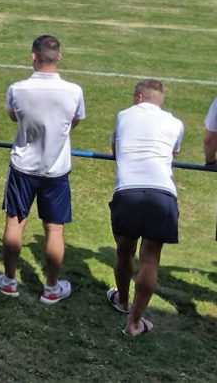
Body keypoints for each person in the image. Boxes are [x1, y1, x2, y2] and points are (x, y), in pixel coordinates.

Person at [0, 36, 85, 304]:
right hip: (56, 171)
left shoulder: (17, 89)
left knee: (14, 223)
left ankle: (9, 281)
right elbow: (74, 121)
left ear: (33, 56)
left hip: (23, 168)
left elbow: (13, 117)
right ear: (59, 57)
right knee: (54, 230)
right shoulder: (74, 91)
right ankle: (51, 287)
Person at [108, 79, 183, 336]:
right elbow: (172, 154)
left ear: (139, 97)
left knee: (124, 251)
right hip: (162, 193)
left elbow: (116, 150)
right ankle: (134, 322)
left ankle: (122, 300)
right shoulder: (175, 123)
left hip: (127, 190)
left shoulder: (123, 116)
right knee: (150, 258)